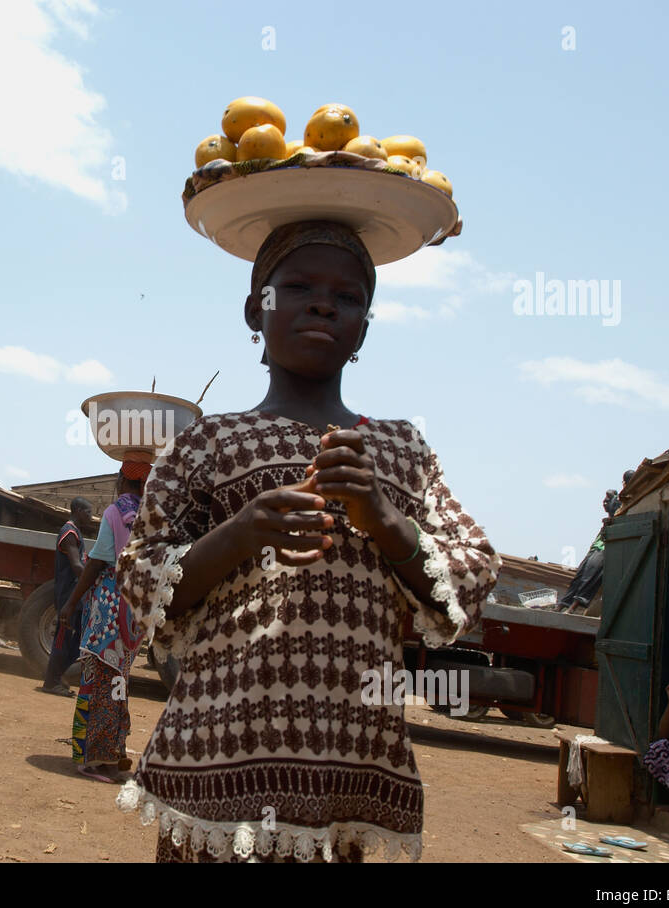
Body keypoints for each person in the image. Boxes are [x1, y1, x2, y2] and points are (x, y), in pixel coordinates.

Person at [115, 221, 501, 862]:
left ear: (365, 329)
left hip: (345, 768)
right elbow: (142, 577)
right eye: (297, 287)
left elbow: (471, 574)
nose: (324, 304)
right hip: (220, 756)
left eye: (348, 297)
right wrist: (243, 532)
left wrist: (380, 513)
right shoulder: (208, 444)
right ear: (254, 310)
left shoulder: (400, 450)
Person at [61, 467, 148, 782]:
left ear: (124, 480)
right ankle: (113, 753)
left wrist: (71, 603)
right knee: (119, 682)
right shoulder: (151, 514)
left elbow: (97, 561)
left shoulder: (115, 513)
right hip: (134, 611)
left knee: (98, 679)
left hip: (110, 608)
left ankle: (95, 758)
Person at [557, 469, 634, 613]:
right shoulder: (620, 498)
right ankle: (562, 605)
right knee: (581, 573)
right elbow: (610, 511)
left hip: (609, 544)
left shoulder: (632, 498)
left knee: (591, 574)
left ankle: (573, 607)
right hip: (600, 542)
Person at [39, 497, 94, 696]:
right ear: (78, 510)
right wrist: (93, 579)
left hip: (75, 596)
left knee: (76, 639)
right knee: (63, 639)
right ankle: (50, 682)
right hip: (68, 596)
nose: (91, 516)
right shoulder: (69, 532)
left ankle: (56, 676)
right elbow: (77, 566)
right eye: (88, 512)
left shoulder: (76, 533)